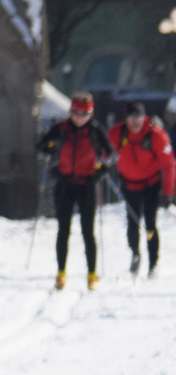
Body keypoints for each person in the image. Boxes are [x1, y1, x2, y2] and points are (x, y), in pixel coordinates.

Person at [37, 91, 114, 290]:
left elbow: (112, 154)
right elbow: (41, 145)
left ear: (91, 113)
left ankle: (92, 274)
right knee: (63, 230)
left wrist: (102, 169)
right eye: (75, 113)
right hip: (64, 184)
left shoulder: (96, 131)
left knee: (88, 232)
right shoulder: (60, 129)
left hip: (86, 185)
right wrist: (51, 149)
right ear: (70, 111)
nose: (79, 117)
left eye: (84, 113)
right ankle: (61, 273)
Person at [109, 101, 176, 279]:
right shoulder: (118, 133)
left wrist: (168, 192)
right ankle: (135, 254)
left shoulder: (155, 135)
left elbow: (169, 165)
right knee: (132, 223)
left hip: (151, 185)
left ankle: (153, 263)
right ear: (126, 119)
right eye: (131, 118)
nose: (135, 122)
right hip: (129, 185)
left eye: (138, 117)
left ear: (144, 117)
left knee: (150, 224)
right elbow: (103, 150)